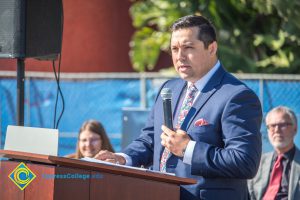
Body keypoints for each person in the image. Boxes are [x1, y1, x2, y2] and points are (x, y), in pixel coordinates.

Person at [95, 15, 262, 200]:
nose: (179, 56)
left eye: (188, 47)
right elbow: (150, 141)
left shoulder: (236, 96)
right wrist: (122, 159)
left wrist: (188, 149)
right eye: (174, 49)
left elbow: (245, 162)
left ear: (212, 48)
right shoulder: (169, 89)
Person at [248, 106, 300, 200]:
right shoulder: (258, 163)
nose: (276, 130)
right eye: (272, 126)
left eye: (283, 125)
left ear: (295, 129)